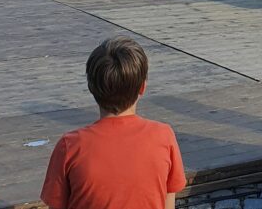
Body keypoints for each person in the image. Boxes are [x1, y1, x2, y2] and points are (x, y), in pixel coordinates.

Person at [40, 37, 186, 209]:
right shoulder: (163, 136)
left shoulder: (70, 146)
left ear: (91, 87)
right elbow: (168, 204)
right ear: (142, 87)